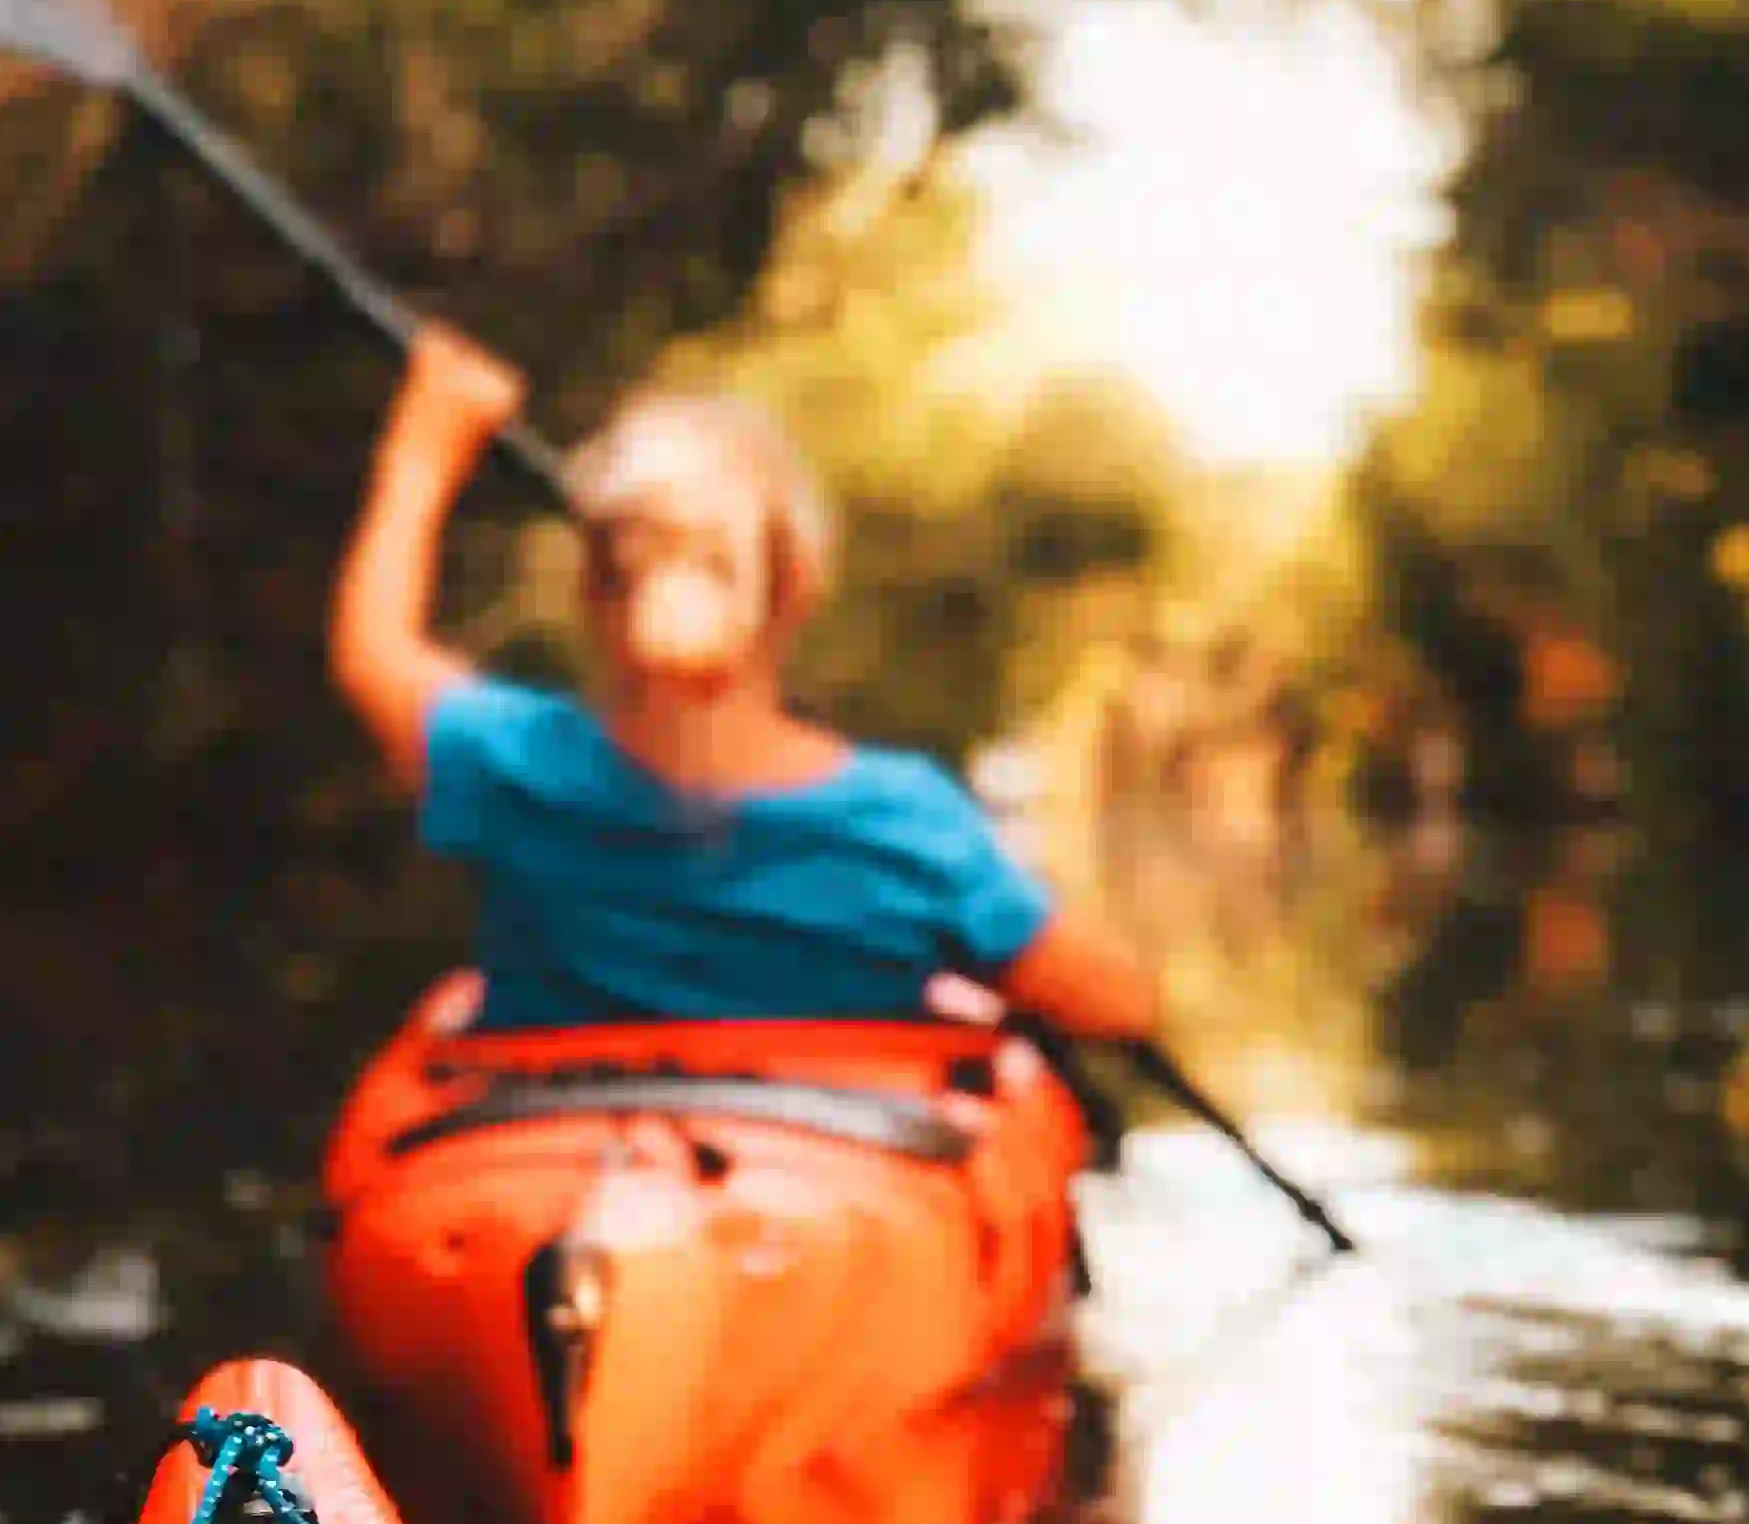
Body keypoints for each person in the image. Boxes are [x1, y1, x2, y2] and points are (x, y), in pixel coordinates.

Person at [328, 323, 1158, 1041]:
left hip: (549, 1184)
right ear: (798, 587)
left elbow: (374, 651)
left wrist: (424, 448)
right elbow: (1113, 1003)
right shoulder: (908, 827)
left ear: (592, 591)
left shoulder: (516, 766)